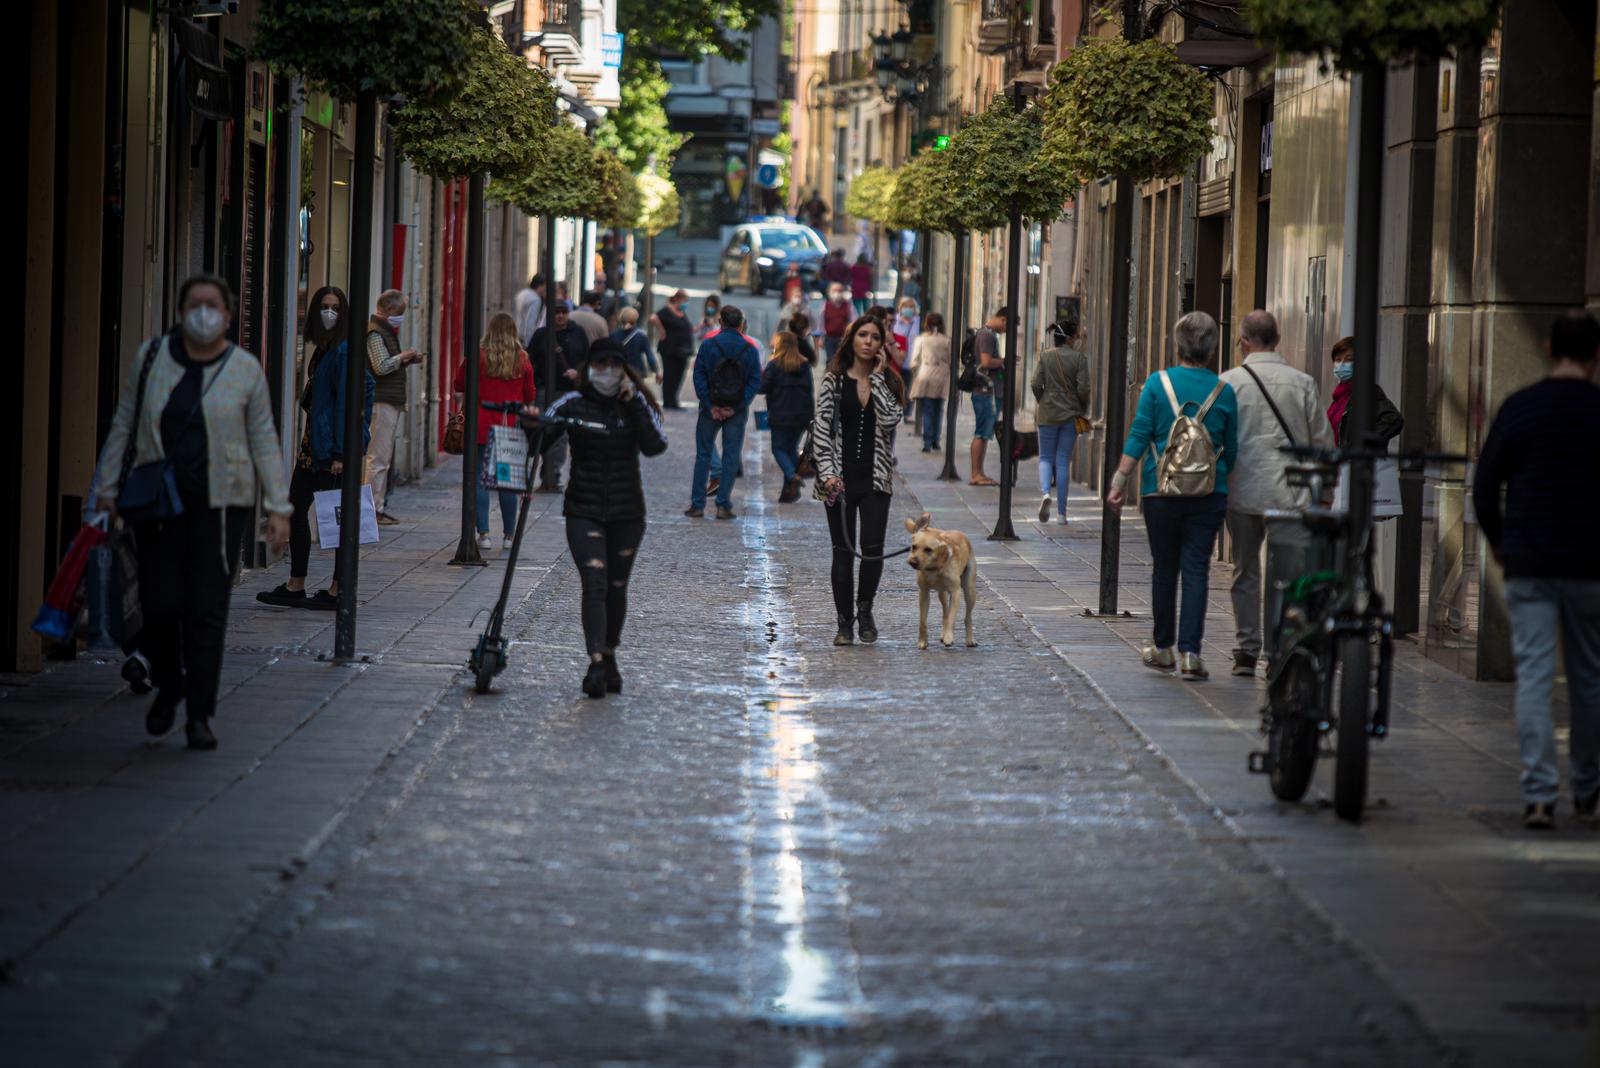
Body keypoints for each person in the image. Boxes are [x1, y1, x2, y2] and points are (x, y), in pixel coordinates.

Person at [95, 274, 291, 750]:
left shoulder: (245, 370)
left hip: (222, 509)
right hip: (158, 503)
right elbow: (124, 422)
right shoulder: (152, 359)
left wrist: (278, 507)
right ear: (181, 312)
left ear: (227, 315)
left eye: (212, 306)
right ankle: (169, 683)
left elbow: (264, 438)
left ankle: (199, 714)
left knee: (207, 610)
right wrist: (104, 487)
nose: (203, 313)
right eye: (194, 304)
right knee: (159, 606)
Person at [1472, 309, 1600, 830]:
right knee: (1589, 679)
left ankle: (1540, 795)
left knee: (1534, 675)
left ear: (1549, 349)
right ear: (1596, 356)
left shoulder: (1521, 408)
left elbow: (1485, 485)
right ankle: (1588, 789)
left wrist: (1501, 540)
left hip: (1528, 561)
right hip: (1591, 565)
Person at [1106, 311, 1239, 681]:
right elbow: (1233, 449)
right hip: (1209, 494)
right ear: (1213, 349)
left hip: (1159, 491)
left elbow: (1139, 434)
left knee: (1165, 568)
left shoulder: (1156, 384)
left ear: (1177, 344)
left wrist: (1119, 482)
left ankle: (1162, 648)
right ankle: (1192, 655)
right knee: (1197, 568)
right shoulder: (1224, 391)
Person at [534, 337, 668, 698]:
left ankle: (610, 653)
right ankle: (595, 660)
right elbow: (541, 441)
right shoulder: (573, 402)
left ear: (624, 371)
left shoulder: (635, 403)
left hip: (627, 513)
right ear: (590, 369)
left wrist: (634, 403)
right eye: (601, 366)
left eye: (614, 366)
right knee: (594, 582)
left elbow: (656, 445)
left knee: (616, 587)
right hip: (584, 509)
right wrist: (536, 425)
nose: (607, 373)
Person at [1219, 309, 1336, 677]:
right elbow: (1323, 442)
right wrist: (1327, 490)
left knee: (1245, 570)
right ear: (1278, 339)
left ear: (1243, 341)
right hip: (1292, 494)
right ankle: (1281, 650)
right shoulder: (1301, 383)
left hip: (1242, 490)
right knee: (1287, 575)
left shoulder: (1228, 383)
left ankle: (1246, 649)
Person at [256, 285, 373, 612]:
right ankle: (296, 584)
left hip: (329, 451)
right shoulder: (324, 348)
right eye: (324, 306)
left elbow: (351, 400)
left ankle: (337, 588)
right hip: (313, 447)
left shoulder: (344, 350)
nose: (329, 312)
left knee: (335, 518)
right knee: (296, 507)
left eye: (336, 307)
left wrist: (341, 452)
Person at [813, 315, 905, 646]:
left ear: (882, 346)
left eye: (875, 338)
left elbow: (893, 419)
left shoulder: (888, 382)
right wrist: (828, 474)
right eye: (862, 335)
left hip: (876, 479)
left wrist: (878, 379)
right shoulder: (833, 382)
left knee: (872, 550)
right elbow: (821, 433)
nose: (868, 341)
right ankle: (843, 623)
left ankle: (864, 611)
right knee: (842, 551)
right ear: (852, 339)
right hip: (838, 479)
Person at [453, 312, 536, 550]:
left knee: (478, 479)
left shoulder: (477, 356)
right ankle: (509, 536)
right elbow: (530, 394)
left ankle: (484, 534)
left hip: (479, 423)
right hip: (508, 423)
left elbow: (459, 384)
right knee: (507, 481)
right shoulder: (521, 359)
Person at [687, 305, 761, 519]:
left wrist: (710, 405)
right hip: (736, 410)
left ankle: (697, 504)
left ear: (721, 322)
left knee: (703, 454)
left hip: (710, 409)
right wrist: (737, 406)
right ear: (740, 324)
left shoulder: (709, 344)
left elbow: (698, 376)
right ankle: (723, 505)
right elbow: (755, 381)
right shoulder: (750, 348)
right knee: (731, 456)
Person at [363, 289, 424, 525]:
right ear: (388, 310)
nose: (401, 317)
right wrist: (403, 355)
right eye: (399, 312)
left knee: (382, 456)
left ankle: (376, 506)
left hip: (388, 399)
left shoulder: (384, 331)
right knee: (377, 458)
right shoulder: (376, 333)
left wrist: (406, 360)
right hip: (382, 400)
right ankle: (371, 510)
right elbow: (381, 366)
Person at [1030, 318, 1091, 523]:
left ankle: (1046, 492)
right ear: (1070, 338)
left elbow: (1035, 383)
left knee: (1046, 457)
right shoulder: (1079, 359)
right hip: (1070, 413)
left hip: (1047, 413)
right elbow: (1083, 388)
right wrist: (1082, 406)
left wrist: (1043, 400)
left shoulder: (1045, 356)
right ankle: (1062, 514)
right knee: (1063, 460)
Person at [528, 300, 589, 492]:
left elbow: (587, 361)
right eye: (556, 312)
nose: (560, 316)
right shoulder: (541, 335)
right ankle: (538, 473)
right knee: (540, 431)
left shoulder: (578, 334)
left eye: (563, 312)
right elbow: (531, 362)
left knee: (560, 436)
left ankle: (552, 474)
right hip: (544, 390)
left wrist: (578, 373)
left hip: (567, 392)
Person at [759, 331, 815, 503]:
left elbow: (763, 387)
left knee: (778, 448)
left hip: (780, 413)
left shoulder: (774, 364)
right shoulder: (804, 364)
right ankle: (788, 490)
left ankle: (792, 476)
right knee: (791, 448)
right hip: (801, 415)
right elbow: (809, 391)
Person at [1326, 335, 1404, 447]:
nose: (1342, 364)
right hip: (1339, 461)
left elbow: (1394, 420)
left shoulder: (1367, 392)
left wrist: (1363, 444)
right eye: (1338, 360)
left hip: (1357, 462)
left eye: (1349, 360)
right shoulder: (1339, 397)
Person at [968, 306, 1008, 486]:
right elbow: (985, 362)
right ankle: (976, 473)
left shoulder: (988, 334)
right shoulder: (987, 336)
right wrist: (1003, 361)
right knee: (982, 433)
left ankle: (979, 472)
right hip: (986, 392)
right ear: (1003, 320)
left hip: (988, 391)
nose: (1007, 331)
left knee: (984, 433)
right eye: (1008, 326)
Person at [908, 311, 950, 453]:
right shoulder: (946, 340)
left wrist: (916, 373)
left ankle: (927, 442)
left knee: (927, 410)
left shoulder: (921, 340)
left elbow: (913, 361)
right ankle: (936, 440)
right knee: (939, 409)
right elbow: (952, 360)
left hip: (925, 375)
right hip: (942, 376)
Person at [651, 289, 695, 410]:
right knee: (670, 375)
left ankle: (673, 399)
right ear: (678, 299)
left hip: (682, 352)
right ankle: (668, 400)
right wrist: (661, 329)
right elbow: (653, 317)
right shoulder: (667, 310)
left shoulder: (681, 312)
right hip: (670, 350)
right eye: (685, 300)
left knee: (678, 376)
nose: (686, 303)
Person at [612, 307, 659, 383]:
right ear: (636, 319)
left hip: (618, 371)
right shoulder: (641, 336)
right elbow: (649, 356)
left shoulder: (613, 335)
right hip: (637, 372)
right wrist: (656, 371)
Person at [514, 273, 546, 349]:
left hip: (516, 335)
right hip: (525, 340)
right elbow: (530, 323)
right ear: (540, 285)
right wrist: (529, 345)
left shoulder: (522, 294)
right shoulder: (535, 299)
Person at [822, 284, 852, 361]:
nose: (837, 293)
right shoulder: (825, 305)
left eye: (839, 291)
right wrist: (819, 339)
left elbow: (853, 321)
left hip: (843, 338)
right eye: (835, 291)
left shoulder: (848, 306)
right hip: (829, 338)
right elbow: (821, 322)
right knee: (830, 359)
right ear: (830, 292)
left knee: (842, 359)